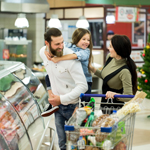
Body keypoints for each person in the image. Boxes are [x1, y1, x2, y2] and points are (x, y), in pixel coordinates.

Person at [39, 27, 88, 150]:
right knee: (62, 144)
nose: (61, 46)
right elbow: (47, 70)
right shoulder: (43, 53)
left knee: (76, 144)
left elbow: (83, 86)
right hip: (57, 109)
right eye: (57, 44)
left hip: (73, 107)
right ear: (47, 43)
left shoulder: (71, 59)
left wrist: (61, 99)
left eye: (62, 42)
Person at [43, 28, 93, 116]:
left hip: (86, 79)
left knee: (84, 98)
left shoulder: (86, 51)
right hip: (73, 78)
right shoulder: (69, 46)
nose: (86, 42)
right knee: (48, 76)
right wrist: (46, 50)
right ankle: (52, 101)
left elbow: (76, 56)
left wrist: (59, 59)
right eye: (83, 39)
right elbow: (55, 46)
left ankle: (78, 111)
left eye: (88, 40)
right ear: (76, 39)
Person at [90, 35, 137, 109]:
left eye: (111, 46)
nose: (108, 48)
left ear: (118, 49)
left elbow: (129, 96)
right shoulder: (110, 58)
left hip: (115, 108)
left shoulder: (124, 71)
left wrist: (115, 95)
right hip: (104, 103)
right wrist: (92, 68)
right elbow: (105, 76)